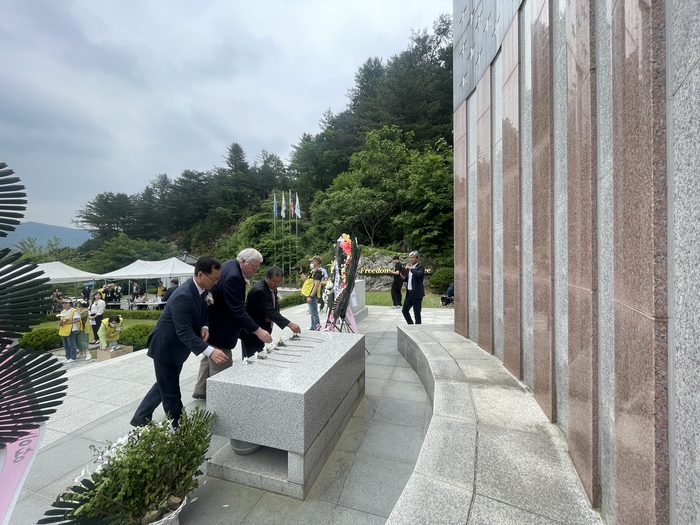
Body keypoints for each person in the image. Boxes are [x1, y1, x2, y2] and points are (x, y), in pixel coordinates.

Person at [130, 257, 229, 427]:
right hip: (165, 347)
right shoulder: (182, 295)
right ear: (200, 274)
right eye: (214, 278)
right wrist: (210, 351)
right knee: (171, 391)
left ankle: (141, 417)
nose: (216, 282)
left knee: (164, 383)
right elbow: (183, 332)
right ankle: (180, 428)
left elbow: (205, 310)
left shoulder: (203, 290)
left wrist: (204, 325)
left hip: (178, 349)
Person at [192, 248, 274, 399]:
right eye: (253, 266)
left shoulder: (230, 264)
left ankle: (201, 390)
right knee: (222, 360)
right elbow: (237, 310)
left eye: (257, 267)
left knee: (207, 357)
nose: (255, 270)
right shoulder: (234, 277)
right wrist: (258, 331)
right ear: (243, 261)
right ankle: (223, 399)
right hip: (220, 326)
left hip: (212, 322)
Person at [240, 266, 301, 358]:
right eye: (274, 281)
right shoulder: (259, 290)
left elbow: (274, 307)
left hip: (263, 329)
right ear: (267, 277)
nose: (276, 284)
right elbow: (270, 311)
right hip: (252, 331)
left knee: (260, 354)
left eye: (279, 281)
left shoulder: (270, 287)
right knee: (252, 358)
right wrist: (290, 324)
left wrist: (272, 316)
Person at [299, 256, 323, 331]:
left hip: (312, 295)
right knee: (312, 313)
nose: (311, 263)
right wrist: (300, 272)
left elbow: (316, 286)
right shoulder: (312, 272)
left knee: (314, 313)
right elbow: (306, 280)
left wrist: (311, 296)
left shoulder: (318, 273)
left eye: (312, 261)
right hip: (309, 294)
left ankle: (316, 328)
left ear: (316, 262)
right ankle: (313, 327)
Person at [402, 250, 425, 325]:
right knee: (404, 310)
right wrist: (403, 277)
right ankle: (410, 324)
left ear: (417, 258)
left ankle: (418, 328)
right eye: (410, 258)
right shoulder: (410, 268)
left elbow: (419, 275)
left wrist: (411, 269)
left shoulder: (420, 267)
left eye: (413, 258)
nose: (411, 259)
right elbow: (409, 279)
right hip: (409, 293)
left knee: (417, 313)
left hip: (417, 294)